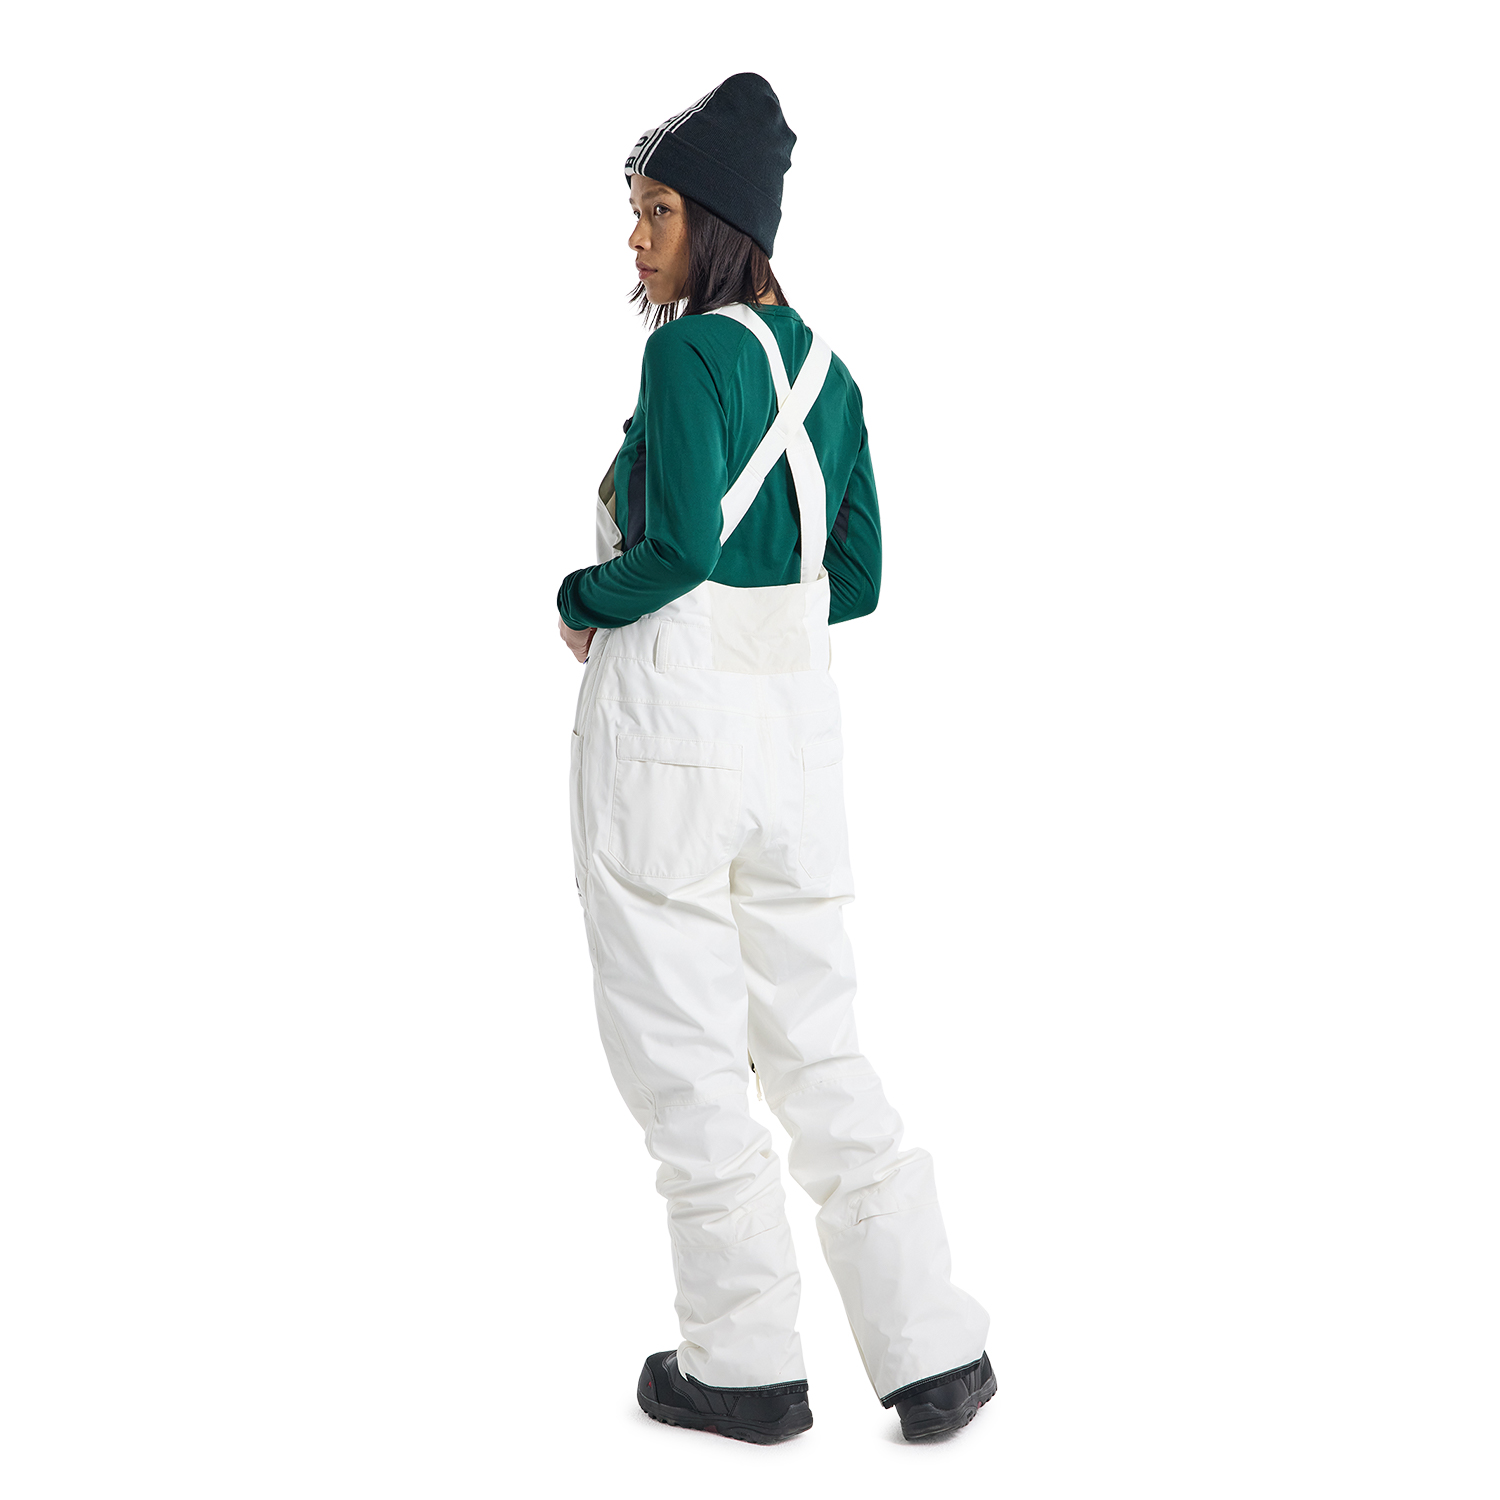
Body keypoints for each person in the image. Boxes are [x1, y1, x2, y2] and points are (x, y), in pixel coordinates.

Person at [557, 73, 993, 1444]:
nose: (638, 239)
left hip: (670, 749)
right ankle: (933, 1350)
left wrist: (580, 598)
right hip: (795, 749)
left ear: (720, 224)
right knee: (817, 1042)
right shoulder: (830, 374)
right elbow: (853, 578)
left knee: (686, 1057)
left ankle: (744, 1366)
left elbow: (675, 550)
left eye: (660, 212)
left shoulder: (685, 359)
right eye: (637, 212)